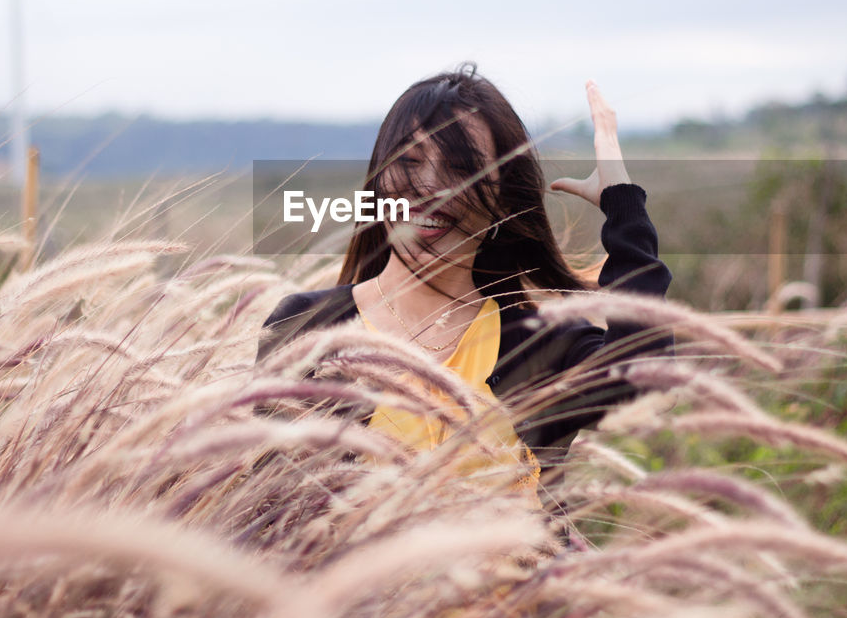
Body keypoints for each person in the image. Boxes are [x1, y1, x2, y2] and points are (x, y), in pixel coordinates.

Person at [254, 63, 672, 497]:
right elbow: (263, 505)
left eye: (460, 167)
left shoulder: (540, 346)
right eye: (409, 161)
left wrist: (624, 206)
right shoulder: (307, 327)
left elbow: (647, 383)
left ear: (503, 197)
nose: (430, 186)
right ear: (379, 180)